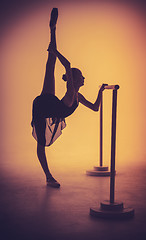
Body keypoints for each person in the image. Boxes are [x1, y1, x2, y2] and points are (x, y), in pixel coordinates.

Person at [31, 8, 107, 188]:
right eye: (82, 76)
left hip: (50, 102)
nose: (84, 78)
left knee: (50, 62)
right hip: (42, 106)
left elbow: (96, 108)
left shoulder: (78, 96)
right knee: (41, 142)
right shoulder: (72, 91)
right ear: (74, 80)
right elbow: (68, 65)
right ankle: (49, 177)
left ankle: (52, 29)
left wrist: (101, 91)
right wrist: (55, 52)